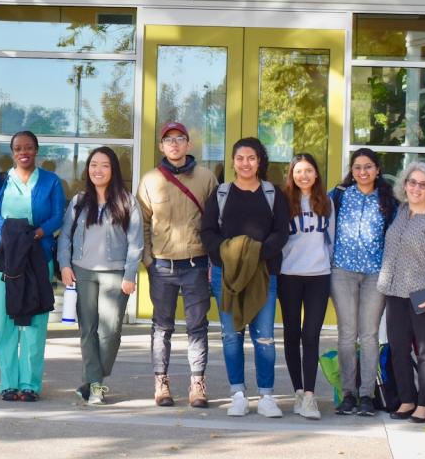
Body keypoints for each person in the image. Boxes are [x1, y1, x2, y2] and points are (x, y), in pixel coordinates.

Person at [200, 137, 290, 419]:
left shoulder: (273, 193)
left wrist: (257, 253)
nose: (245, 163)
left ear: (260, 161)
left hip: (264, 274)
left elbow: (282, 232)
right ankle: (237, 393)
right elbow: (207, 232)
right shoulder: (221, 193)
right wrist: (228, 253)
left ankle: (266, 396)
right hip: (227, 276)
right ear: (233, 162)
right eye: (240, 158)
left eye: (251, 158)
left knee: (264, 338)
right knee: (231, 336)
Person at [136, 121, 218, 408]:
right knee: (162, 327)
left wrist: (211, 259)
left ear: (188, 144)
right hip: (162, 266)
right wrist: (147, 259)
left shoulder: (206, 178)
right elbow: (142, 224)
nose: (174, 144)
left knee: (197, 326)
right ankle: (162, 382)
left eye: (180, 138)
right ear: (161, 146)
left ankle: (197, 383)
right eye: (168, 140)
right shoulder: (149, 180)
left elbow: (214, 222)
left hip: (196, 264)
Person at [0, 130, 65, 402]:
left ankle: (30, 384)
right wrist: (7, 230)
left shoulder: (52, 181)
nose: (24, 152)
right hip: (5, 257)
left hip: (38, 257)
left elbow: (58, 216)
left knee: (35, 321)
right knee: (4, 320)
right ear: (12, 152)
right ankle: (8, 383)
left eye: (29, 147)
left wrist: (39, 233)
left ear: (36, 150)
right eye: (18, 147)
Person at [58, 147, 143, 405]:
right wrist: (64, 265)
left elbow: (136, 241)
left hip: (116, 274)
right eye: (94, 164)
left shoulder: (127, 201)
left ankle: (91, 377)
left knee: (111, 332)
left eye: (104, 165)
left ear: (113, 170)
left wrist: (130, 274)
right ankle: (96, 386)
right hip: (82, 271)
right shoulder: (79, 201)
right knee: (88, 330)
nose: (98, 170)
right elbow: (65, 236)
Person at [378, 161, 425, 424]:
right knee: (398, 349)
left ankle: (424, 403)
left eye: (423, 184)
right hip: (395, 292)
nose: (416, 188)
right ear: (405, 185)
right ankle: (407, 400)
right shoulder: (401, 211)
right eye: (412, 182)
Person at [328, 147, 398, 417]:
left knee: (368, 335)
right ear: (352, 170)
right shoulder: (339, 195)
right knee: (347, 334)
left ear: (377, 169)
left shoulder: (388, 199)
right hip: (342, 272)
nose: (363, 171)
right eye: (357, 167)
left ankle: (367, 395)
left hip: (374, 274)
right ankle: (348, 394)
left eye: (368, 166)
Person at [278, 153, 334, 420]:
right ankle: (298, 391)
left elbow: (331, 240)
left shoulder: (326, 201)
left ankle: (310, 396)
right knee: (291, 334)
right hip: (289, 275)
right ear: (292, 174)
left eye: (308, 170)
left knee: (311, 335)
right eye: (298, 171)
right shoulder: (283, 202)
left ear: (316, 174)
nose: (304, 175)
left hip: (319, 276)